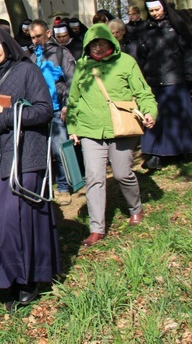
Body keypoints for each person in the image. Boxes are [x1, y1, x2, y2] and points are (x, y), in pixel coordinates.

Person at [0, 25, 58, 311]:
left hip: (24, 156)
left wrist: (5, 114)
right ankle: (3, 280)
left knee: (18, 221)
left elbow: (44, 111)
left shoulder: (28, 71)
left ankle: (28, 280)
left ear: (5, 45)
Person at [66, 24, 157, 247]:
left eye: (101, 43)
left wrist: (149, 112)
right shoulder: (82, 66)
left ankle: (135, 208)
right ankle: (97, 228)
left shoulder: (126, 62)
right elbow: (73, 100)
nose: (97, 48)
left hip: (122, 128)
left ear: (111, 43)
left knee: (122, 173)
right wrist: (73, 128)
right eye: (92, 44)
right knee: (94, 178)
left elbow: (143, 93)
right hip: (90, 129)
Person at [137, 0, 192, 170]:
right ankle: (156, 153)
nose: (155, 13)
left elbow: (188, 52)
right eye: (151, 11)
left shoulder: (176, 27)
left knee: (178, 116)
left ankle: (184, 149)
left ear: (164, 8)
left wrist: (190, 74)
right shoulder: (144, 30)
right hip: (154, 79)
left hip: (176, 78)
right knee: (156, 117)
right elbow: (140, 56)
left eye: (157, 10)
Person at [27, 20, 76, 205]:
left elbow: (72, 79)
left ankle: (64, 187)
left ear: (48, 33)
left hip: (56, 110)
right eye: (32, 37)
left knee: (60, 150)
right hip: (36, 112)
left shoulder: (61, 53)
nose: (36, 40)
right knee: (41, 152)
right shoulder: (30, 57)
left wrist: (67, 104)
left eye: (39, 36)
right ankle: (46, 187)